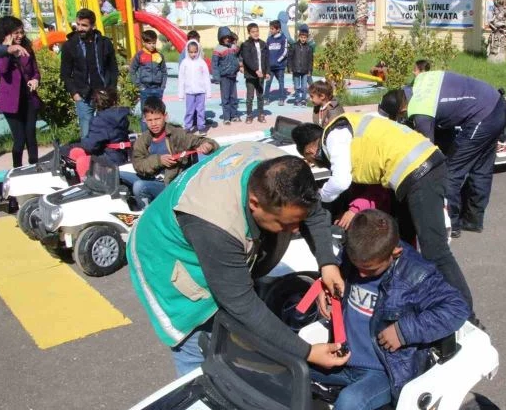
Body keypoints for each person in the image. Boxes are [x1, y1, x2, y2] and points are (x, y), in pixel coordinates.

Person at [127, 148, 348, 376]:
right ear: (255, 203)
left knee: (235, 325)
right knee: (199, 343)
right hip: (165, 257)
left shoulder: (283, 172)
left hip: (209, 233)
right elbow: (242, 304)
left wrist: (327, 264)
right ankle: (204, 397)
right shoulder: (215, 224)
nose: (294, 231)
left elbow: (312, 212)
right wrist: (308, 352)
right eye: (285, 224)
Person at [312, 209, 468, 410]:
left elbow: (457, 308)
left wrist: (405, 331)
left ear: (395, 252)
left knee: (349, 404)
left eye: (370, 270)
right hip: (342, 355)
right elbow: (340, 275)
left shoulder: (417, 275)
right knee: (295, 366)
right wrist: (325, 290)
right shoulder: (360, 253)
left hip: (384, 371)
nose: (361, 274)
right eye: (357, 266)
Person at [291, 116, 474, 311]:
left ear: (310, 150)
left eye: (311, 161)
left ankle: (465, 313)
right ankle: (410, 298)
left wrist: (318, 199)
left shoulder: (334, 136)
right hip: (417, 170)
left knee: (435, 251)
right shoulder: (346, 132)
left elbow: (340, 181)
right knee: (402, 241)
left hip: (419, 172)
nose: (316, 164)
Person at [379, 71, 506, 237]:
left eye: (399, 116)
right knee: (481, 168)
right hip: (496, 103)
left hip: (482, 117)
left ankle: (451, 224)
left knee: (451, 172)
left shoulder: (421, 111)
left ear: (402, 109)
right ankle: (474, 220)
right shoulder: (419, 81)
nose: (402, 118)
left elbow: (426, 151)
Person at [131, 97, 219, 206]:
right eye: (150, 120)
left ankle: (149, 215)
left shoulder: (177, 134)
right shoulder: (143, 140)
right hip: (152, 179)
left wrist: (207, 146)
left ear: (165, 116)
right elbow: (138, 164)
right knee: (123, 178)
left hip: (172, 184)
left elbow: (207, 142)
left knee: (139, 187)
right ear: (144, 119)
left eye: (157, 119)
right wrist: (159, 161)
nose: (154, 124)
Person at [60, 8, 119, 142]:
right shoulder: (70, 45)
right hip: (83, 95)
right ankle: (88, 160)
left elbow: (113, 68)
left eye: (84, 25)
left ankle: (106, 159)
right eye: (78, 24)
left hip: (104, 94)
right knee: (86, 134)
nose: (80, 28)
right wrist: (74, 94)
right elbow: (65, 73)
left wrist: (111, 89)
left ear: (93, 26)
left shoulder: (104, 43)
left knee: (106, 130)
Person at [0, 16, 41, 172]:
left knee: (31, 136)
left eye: (21, 32)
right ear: (7, 34)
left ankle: (35, 165)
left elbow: (35, 71)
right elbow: (3, 69)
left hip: (28, 99)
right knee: (19, 139)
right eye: (16, 33)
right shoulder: (0, 51)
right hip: (11, 102)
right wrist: (7, 48)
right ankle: (17, 169)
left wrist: (35, 80)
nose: (20, 36)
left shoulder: (27, 48)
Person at [82, 87, 132, 167]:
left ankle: (82, 179)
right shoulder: (122, 116)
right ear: (114, 100)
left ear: (96, 103)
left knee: (78, 155)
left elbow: (91, 146)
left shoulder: (100, 120)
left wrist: (82, 142)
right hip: (121, 156)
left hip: (108, 159)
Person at [130, 30, 168, 133]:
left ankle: (159, 134)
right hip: (145, 89)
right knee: (145, 114)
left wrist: (162, 87)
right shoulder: (140, 55)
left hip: (157, 89)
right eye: (149, 43)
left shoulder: (159, 55)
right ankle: (145, 136)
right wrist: (139, 85)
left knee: (158, 112)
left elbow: (164, 71)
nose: (152, 45)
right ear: (144, 42)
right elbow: (132, 70)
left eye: (154, 43)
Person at [178, 39, 212, 134]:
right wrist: (181, 94)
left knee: (201, 110)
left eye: (195, 52)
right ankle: (188, 127)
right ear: (187, 51)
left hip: (201, 92)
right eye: (191, 52)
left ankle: (201, 127)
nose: (193, 54)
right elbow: (181, 79)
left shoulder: (202, 63)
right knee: (189, 110)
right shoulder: (184, 63)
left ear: (198, 51)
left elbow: (206, 78)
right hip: (189, 92)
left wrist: (208, 93)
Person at [239, 22, 270, 124]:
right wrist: (256, 70)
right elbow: (247, 60)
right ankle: (249, 115)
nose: (256, 33)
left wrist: (267, 72)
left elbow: (267, 59)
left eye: (257, 31)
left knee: (260, 95)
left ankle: (261, 114)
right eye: (253, 32)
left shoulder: (263, 44)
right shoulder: (246, 45)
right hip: (251, 75)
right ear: (249, 33)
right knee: (250, 97)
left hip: (261, 75)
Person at [211, 26, 240, 125]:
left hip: (233, 76)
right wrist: (216, 77)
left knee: (234, 97)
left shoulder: (233, 47)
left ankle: (234, 115)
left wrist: (240, 65)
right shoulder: (218, 49)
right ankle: (227, 118)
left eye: (228, 37)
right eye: (225, 37)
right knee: (226, 98)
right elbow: (214, 65)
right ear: (221, 38)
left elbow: (239, 56)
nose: (227, 39)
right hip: (224, 77)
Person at [265, 19, 289, 106]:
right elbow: (266, 52)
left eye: (272, 29)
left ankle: (281, 98)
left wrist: (278, 60)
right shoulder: (269, 39)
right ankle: (266, 99)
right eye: (270, 28)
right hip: (270, 67)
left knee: (281, 83)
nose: (270, 30)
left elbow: (285, 52)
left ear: (278, 29)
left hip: (280, 66)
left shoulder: (283, 38)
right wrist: (267, 62)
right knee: (268, 83)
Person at [290, 27, 313, 106]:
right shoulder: (294, 46)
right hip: (296, 70)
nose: (303, 39)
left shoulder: (309, 48)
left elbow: (310, 60)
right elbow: (290, 58)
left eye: (305, 38)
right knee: (297, 86)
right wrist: (290, 68)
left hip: (305, 71)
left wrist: (310, 71)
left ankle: (303, 99)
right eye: (302, 37)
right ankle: (297, 99)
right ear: (299, 37)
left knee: (304, 87)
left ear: (307, 38)